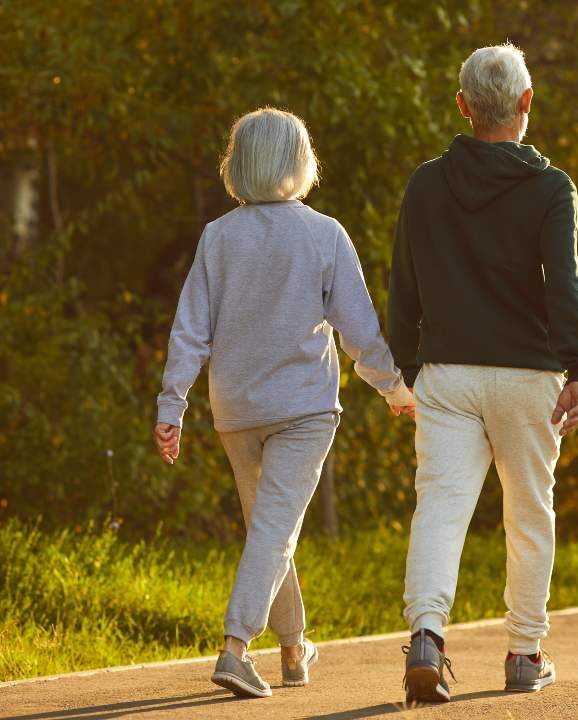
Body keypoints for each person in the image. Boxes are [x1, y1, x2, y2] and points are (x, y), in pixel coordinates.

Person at [153, 107, 415, 699]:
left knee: (270, 528)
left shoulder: (219, 236)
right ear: (300, 162)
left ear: (238, 164)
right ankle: (235, 648)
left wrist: (173, 405)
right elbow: (359, 330)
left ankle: (294, 650)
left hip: (236, 409)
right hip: (303, 409)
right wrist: (394, 388)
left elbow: (190, 329)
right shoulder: (325, 233)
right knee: (274, 529)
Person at [388, 43, 578, 702]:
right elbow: (563, 282)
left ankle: (426, 637)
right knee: (530, 516)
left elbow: (405, 281)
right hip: (527, 376)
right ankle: (523, 654)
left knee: (441, 510)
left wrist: (404, 368)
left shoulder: (427, 182)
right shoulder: (550, 187)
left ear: (463, 106)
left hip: (447, 374)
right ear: (526, 103)